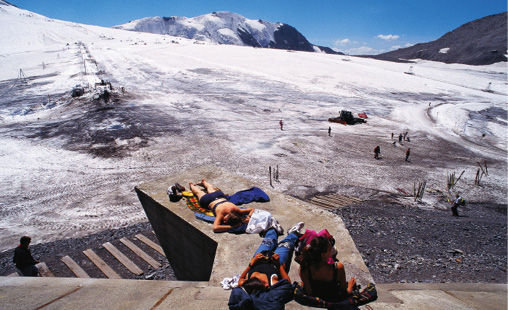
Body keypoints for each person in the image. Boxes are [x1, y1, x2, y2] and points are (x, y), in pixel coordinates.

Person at [229, 222, 305, 310]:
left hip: (258, 260)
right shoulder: (272, 285)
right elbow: (287, 284)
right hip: (274, 263)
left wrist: (251, 264)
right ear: (266, 287)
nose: (265, 282)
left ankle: (273, 230)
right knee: (286, 245)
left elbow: (240, 280)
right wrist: (279, 265)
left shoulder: (245, 286)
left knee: (267, 242)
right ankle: (293, 233)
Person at [299, 235, 355, 302]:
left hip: (316, 296)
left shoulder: (305, 268)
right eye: (330, 250)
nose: (332, 251)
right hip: (334, 298)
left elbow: (309, 292)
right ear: (323, 254)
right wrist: (350, 287)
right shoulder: (338, 268)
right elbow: (343, 291)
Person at [189, 179, 255, 233]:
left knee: (210, 189)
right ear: (227, 216)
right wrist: (231, 227)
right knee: (198, 193)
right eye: (225, 220)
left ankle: (204, 182)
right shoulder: (221, 214)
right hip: (208, 200)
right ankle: (191, 185)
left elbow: (252, 209)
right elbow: (215, 228)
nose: (224, 221)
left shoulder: (237, 210)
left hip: (219, 196)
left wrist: (249, 217)